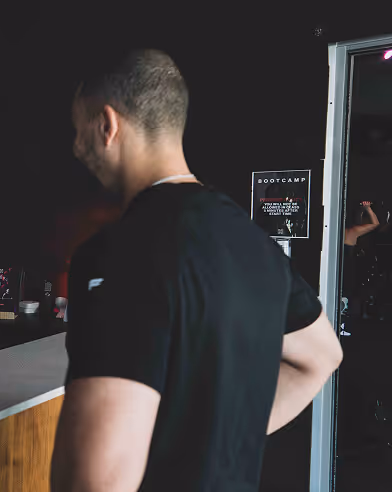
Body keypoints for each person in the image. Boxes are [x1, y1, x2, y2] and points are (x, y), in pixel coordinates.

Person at [50, 49, 344, 492]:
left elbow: (99, 480)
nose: (76, 148)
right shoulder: (255, 243)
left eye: (78, 130)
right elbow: (322, 356)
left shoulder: (118, 252)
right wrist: (211, 439)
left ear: (106, 125)